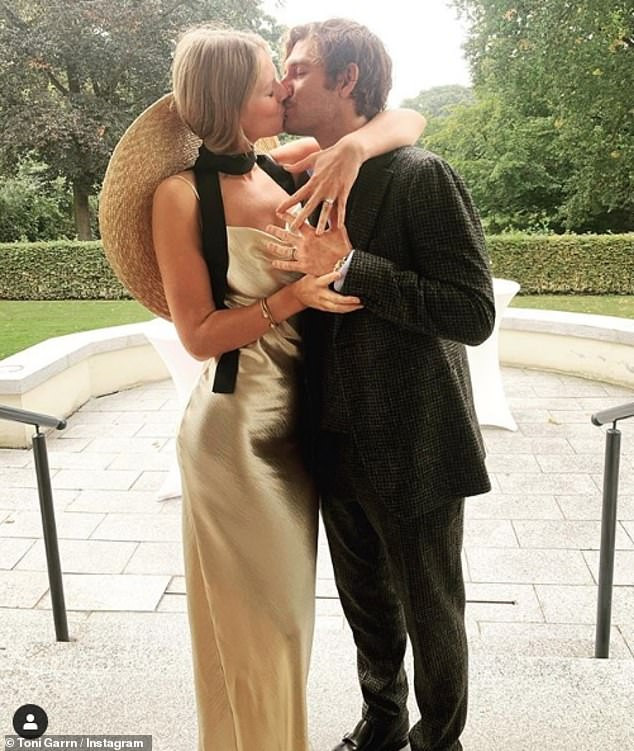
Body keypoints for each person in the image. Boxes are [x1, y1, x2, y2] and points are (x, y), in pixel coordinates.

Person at [99, 25, 425, 751]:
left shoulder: (282, 169)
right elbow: (197, 334)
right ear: (226, 101)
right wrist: (292, 298)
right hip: (234, 437)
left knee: (287, 628)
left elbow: (408, 121)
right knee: (262, 631)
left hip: (295, 429)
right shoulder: (181, 197)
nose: (282, 88)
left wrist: (352, 149)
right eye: (264, 82)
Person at [264, 18, 496, 751]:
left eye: (299, 69)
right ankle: (384, 722)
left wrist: (351, 267)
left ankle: (440, 739)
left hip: (416, 437)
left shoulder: (422, 177)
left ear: (348, 79)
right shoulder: (296, 177)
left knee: (432, 610)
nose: (283, 84)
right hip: (329, 439)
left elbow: (473, 313)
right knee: (366, 604)